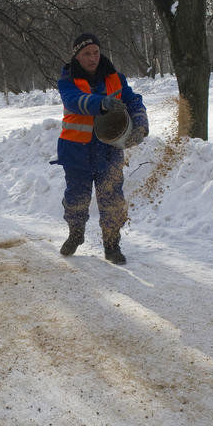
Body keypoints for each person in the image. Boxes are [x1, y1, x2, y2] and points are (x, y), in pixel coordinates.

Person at [53, 32, 148, 265]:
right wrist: (101, 103)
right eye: (87, 54)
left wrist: (140, 120)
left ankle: (112, 244)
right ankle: (75, 234)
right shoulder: (67, 81)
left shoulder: (115, 77)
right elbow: (73, 101)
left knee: (112, 198)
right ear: (77, 56)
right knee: (76, 198)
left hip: (109, 149)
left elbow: (132, 99)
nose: (93, 57)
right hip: (76, 151)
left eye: (96, 52)